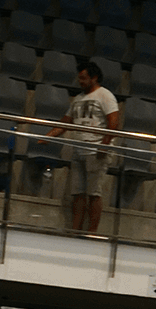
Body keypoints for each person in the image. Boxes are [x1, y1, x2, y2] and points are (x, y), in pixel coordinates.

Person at [47, 60, 120, 234]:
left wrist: (104, 145)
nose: (80, 82)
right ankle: (75, 229)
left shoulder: (105, 95)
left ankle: (91, 231)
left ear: (94, 78)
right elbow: (66, 122)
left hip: (96, 149)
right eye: (79, 78)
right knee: (77, 192)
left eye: (84, 78)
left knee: (94, 192)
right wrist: (47, 136)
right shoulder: (78, 99)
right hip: (78, 148)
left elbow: (114, 122)